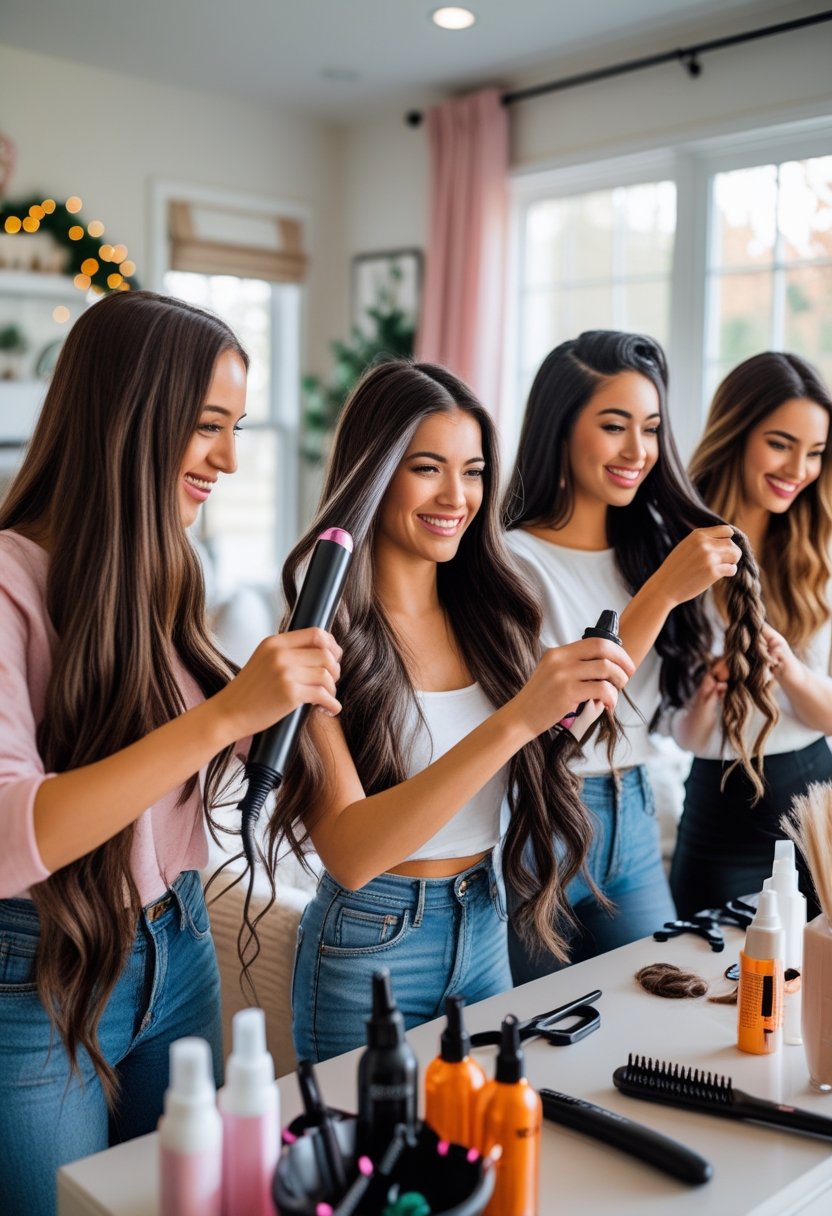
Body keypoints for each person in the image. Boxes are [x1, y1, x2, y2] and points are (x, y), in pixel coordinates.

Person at [0, 290, 342, 1216]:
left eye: (233, 428)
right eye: (207, 427)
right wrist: (229, 713)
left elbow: (167, 775)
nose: (229, 458)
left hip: (179, 943)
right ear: (132, 418)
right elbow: (10, 834)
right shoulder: (6, 584)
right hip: (38, 976)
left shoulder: (161, 569)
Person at [264, 359, 634, 1063]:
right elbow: (350, 852)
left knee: (483, 1151)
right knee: (371, 1167)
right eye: (428, 468)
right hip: (369, 951)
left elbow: (498, 767)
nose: (457, 496)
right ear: (375, 474)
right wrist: (520, 718)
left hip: (485, 921)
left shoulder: (493, 616)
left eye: (473, 471)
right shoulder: (315, 638)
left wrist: (564, 717)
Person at [501, 330, 747, 980]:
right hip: (541, 822)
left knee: (658, 1005)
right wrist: (662, 593)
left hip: (633, 811)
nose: (638, 451)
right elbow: (560, 727)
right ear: (559, 429)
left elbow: (657, 714)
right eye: (614, 426)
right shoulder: (511, 562)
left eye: (652, 428)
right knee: (527, 1041)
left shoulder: (651, 547)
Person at [670, 351, 832, 918]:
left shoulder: (820, 548)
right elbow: (684, 735)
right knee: (709, 994)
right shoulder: (679, 550)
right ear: (737, 434)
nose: (798, 468)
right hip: (718, 809)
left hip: (816, 798)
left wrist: (790, 668)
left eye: (815, 452)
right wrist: (706, 700)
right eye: (781, 443)